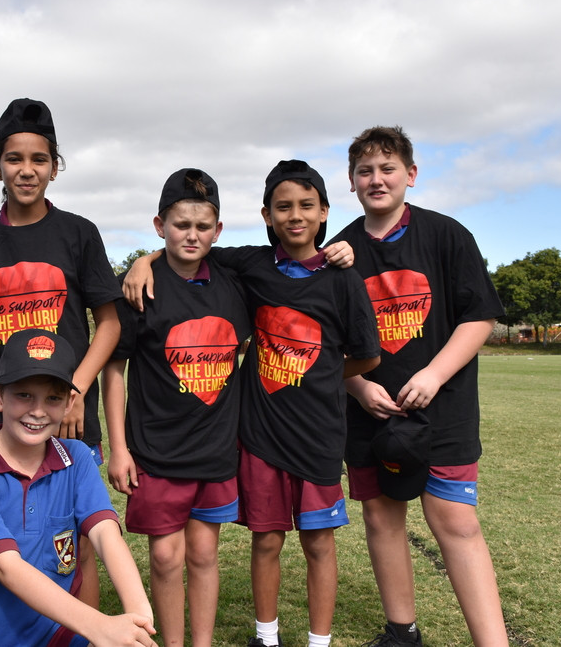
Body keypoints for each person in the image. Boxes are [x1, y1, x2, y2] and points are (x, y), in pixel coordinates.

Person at [121, 162, 373, 647]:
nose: (294, 216)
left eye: (305, 205)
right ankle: (266, 636)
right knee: (267, 538)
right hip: (259, 435)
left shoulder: (344, 277)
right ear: (266, 214)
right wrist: (143, 260)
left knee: (319, 542)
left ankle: (319, 641)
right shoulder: (251, 264)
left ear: (323, 212)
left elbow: (366, 355)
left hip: (318, 435)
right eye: (283, 207)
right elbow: (191, 247)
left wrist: (317, 375)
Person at [333, 126, 508, 646]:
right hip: (370, 412)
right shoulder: (339, 251)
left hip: (445, 408)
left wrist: (433, 374)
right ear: (351, 181)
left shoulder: (446, 234)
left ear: (411, 174)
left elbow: (479, 318)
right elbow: (325, 342)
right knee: (382, 517)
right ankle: (401, 631)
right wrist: (359, 386)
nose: (376, 179)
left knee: (454, 521)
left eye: (388, 169)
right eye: (365, 171)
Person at [0, 98, 122, 606]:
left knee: (79, 540)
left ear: (54, 165)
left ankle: (82, 635)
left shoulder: (78, 234)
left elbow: (109, 325)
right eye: (14, 159)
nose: (27, 171)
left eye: (39, 160)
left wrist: (76, 391)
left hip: (64, 416)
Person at [103, 168, 249, 646]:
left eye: (202, 226)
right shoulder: (139, 288)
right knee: (166, 558)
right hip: (155, 450)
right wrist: (119, 449)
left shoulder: (234, 283)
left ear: (219, 230)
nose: (191, 234)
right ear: (159, 224)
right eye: (179, 224)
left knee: (204, 554)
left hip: (214, 449)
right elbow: (115, 370)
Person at [0, 328, 156, 646]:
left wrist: (139, 611)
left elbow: (105, 532)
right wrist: (99, 626)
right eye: (23, 395)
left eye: (52, 398)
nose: (37, 411)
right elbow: (7, 567)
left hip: (63, 636)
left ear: (69, 403)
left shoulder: (75, 457)